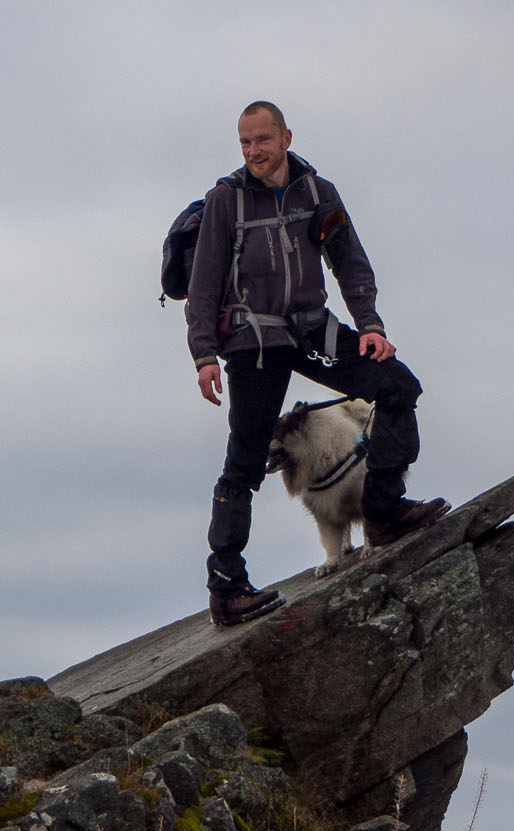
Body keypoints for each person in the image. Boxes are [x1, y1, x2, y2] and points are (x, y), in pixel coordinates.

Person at [186, 101, 447, 626]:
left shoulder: (317, 192)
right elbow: (204, 282)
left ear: (286, 137)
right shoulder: (226, 200)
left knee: (398, 388)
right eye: (244, 143)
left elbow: (350, 261)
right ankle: (227, 587)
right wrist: (204, 354)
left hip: (310, 328)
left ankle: (384, 513)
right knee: (245, 461)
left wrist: (370, 326)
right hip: (252, 338)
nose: (253, 151)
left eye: (262, 140)